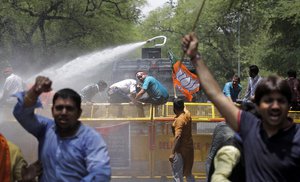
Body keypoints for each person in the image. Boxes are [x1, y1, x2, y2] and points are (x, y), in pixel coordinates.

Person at [182, 32, 300, 181]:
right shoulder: (249, 127)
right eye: (268, 100)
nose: (275, 106)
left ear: (289, 104)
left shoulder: (297, 137)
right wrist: (195, 56)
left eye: (281, 101)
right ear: (258, 105)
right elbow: (217, 95)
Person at [13, 76, 111, 182]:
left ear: (79, 112)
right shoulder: (46, 129)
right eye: (59, 108)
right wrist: (35, 91)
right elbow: (21, 114)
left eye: (69, 108)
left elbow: (101, 174)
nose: (64, 112)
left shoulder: (91, 138)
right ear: (52, 110)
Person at [169, 98, 195, 182]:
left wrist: (172, 153)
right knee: (188, 173)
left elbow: (177, 137)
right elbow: (185, 109)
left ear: (174, 108)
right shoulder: (187, 114)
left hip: (180, 151)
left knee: (177, 175)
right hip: (189, 149)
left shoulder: (179, 120)